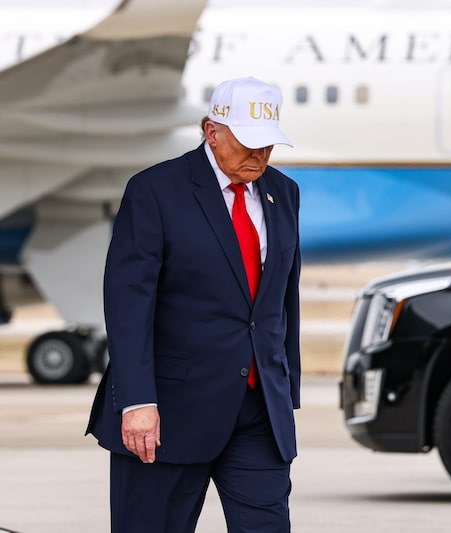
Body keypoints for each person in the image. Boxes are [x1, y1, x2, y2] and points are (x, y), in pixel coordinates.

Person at [86, 76, 301, 532]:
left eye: (268, 144)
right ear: (212, 131)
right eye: (249, 142)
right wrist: (137, 400)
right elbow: (128, 304)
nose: (259, 155)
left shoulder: (283, 193)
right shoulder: (156, 191)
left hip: (258, 412)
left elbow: (282, 300)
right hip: (168, 413)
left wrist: (286, 387)